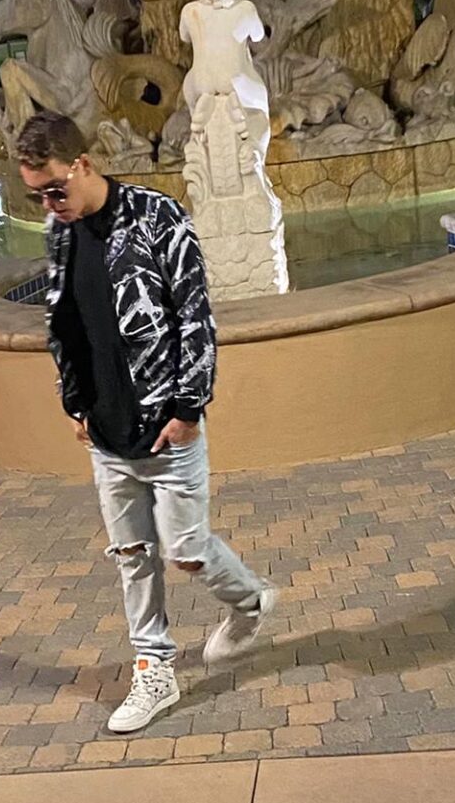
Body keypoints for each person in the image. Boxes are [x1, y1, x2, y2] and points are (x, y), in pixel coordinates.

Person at [17, 110, 275, 733]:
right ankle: (154, 670)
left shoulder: (157, 216)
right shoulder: (59, 233)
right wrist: (74, 402)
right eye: (37, 197)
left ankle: (249, 601)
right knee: (132, 556)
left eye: (55, 189)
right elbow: (66, 325)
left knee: (186, 551)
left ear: (82, 163)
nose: (50, 205)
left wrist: (189, 408)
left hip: (166, 427)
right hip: (106, 432)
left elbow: (196, 316)